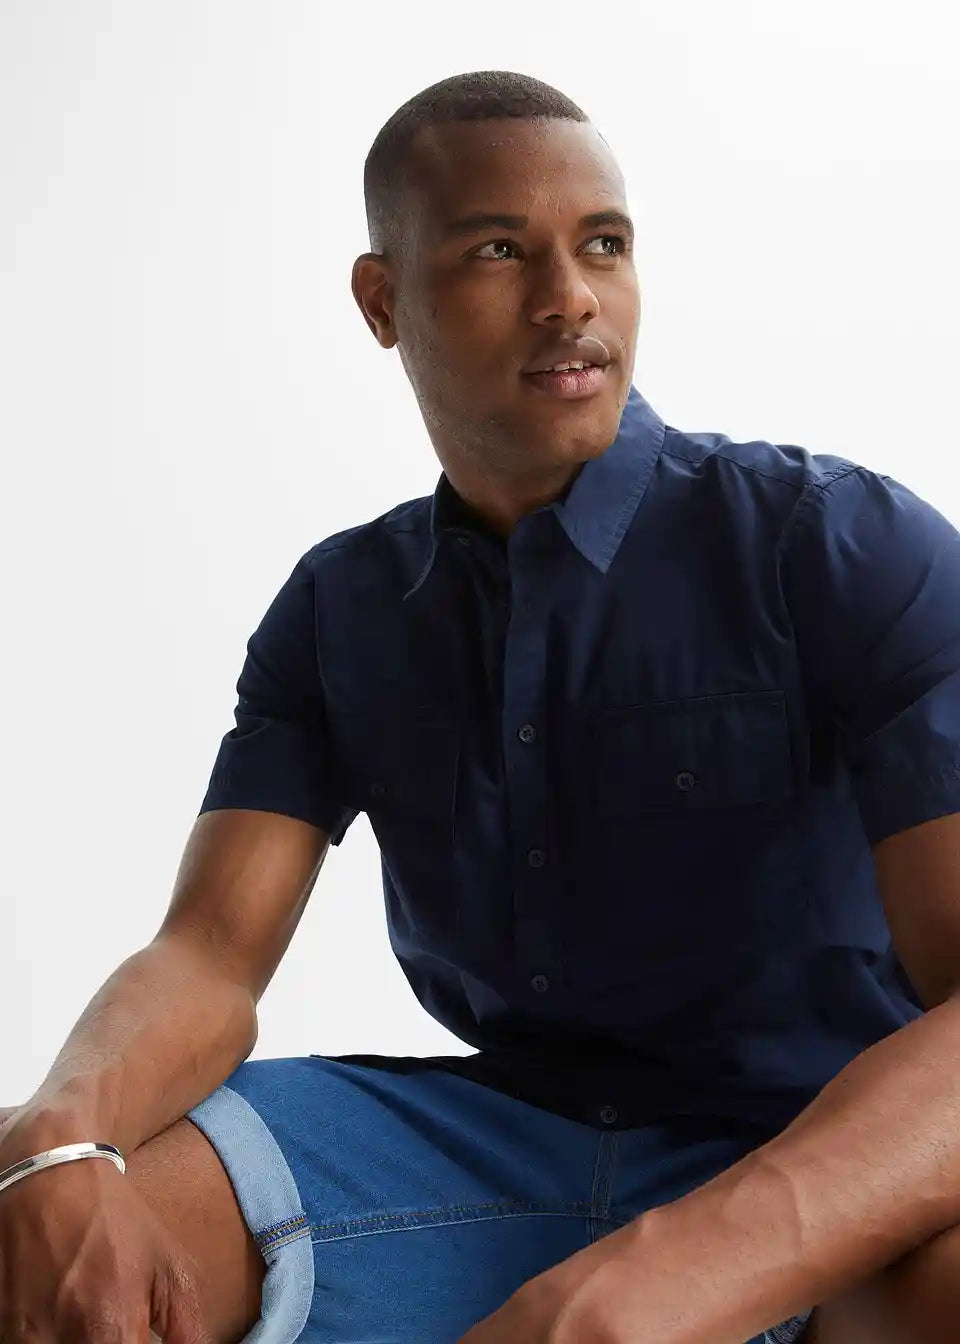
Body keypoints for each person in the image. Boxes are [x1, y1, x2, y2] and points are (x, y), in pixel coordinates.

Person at [3, 68, 960, 1344]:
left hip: (820, 1155)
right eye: (501, 250)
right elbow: (210, 956)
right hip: (496, 1144)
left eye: (603, 245)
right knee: (39, 1223)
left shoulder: (840, 545)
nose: (571, 297)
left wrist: (651, 1282)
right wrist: (56, 1138)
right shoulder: (340, 608)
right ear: (382, 300)